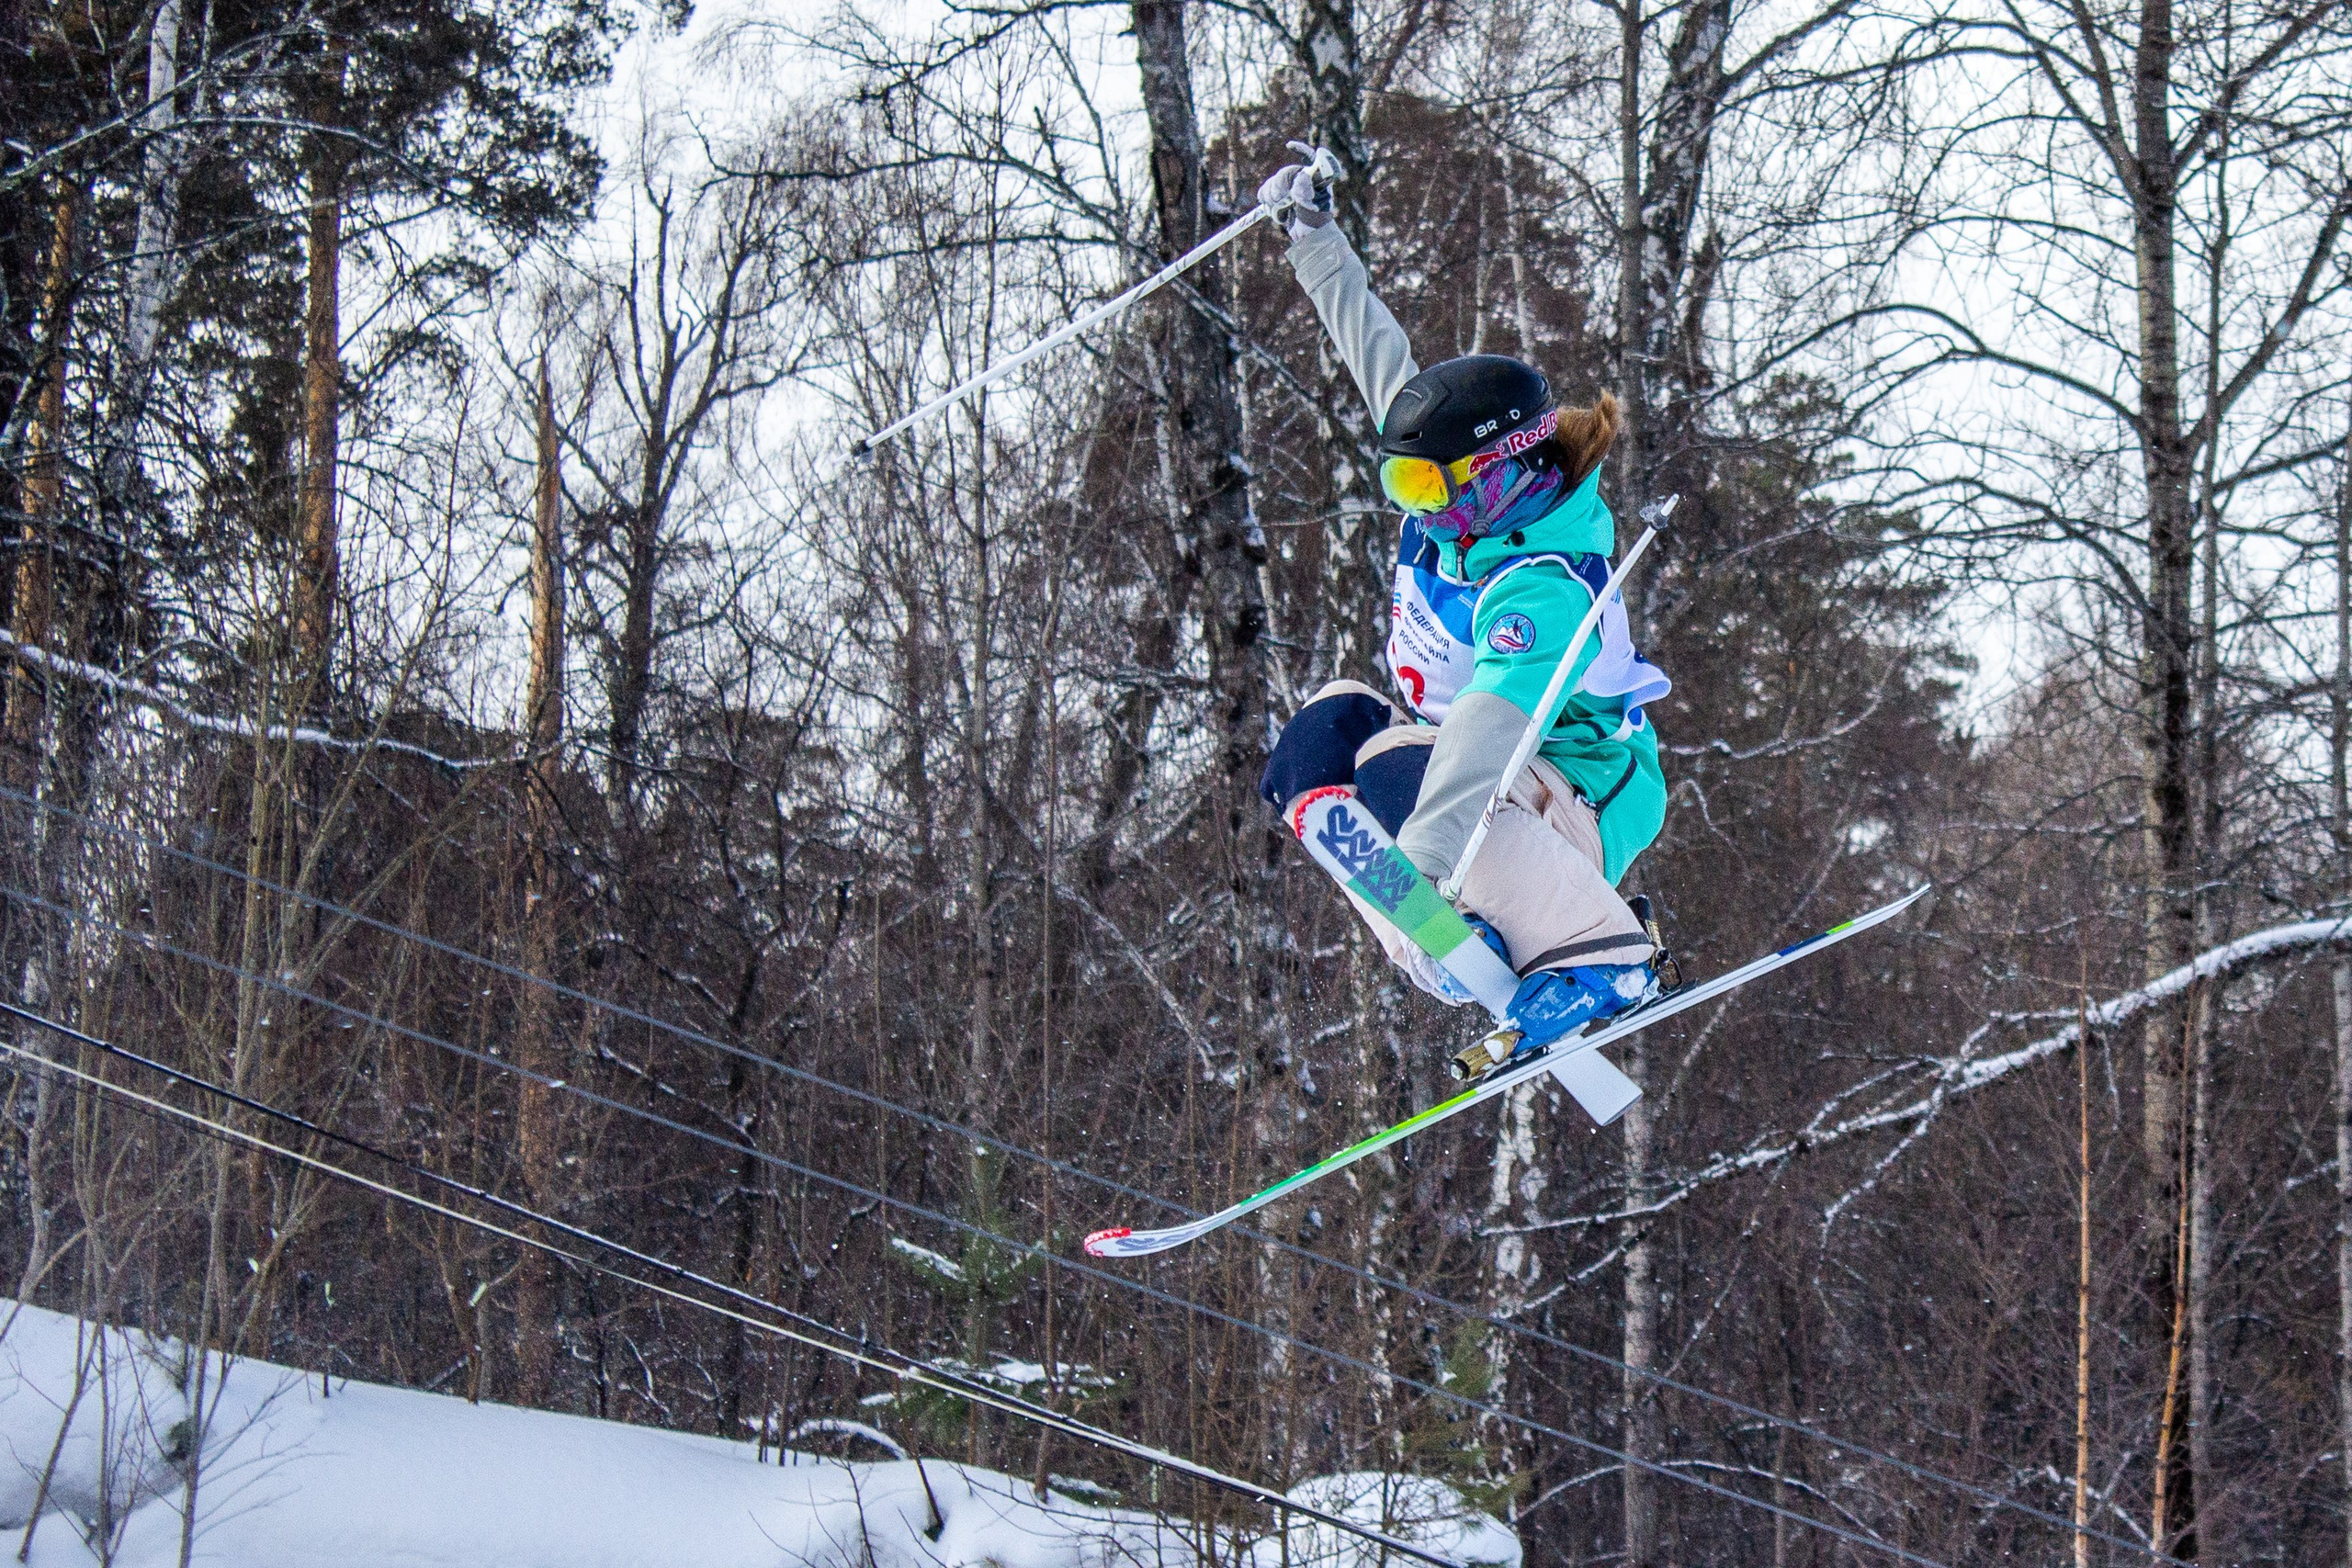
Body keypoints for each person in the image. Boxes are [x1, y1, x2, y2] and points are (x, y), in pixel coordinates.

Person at [1252, 143, 1674, 1060]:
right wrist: (1312, 240)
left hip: (1578, 798)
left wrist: (1426, 865)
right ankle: (1453, 949)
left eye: (1427, 487)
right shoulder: (1462, 513)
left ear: (1496, 475)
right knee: (1315, 748)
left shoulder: (1543, 581)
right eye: (1401, 483)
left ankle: (1606, 950)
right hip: (1478, 786)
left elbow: (1489, 723)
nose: (1416, 507)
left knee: (1401, 768)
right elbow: (1380, 361)